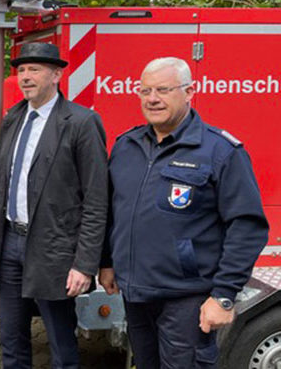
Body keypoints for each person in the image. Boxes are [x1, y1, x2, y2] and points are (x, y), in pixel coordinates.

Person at [0, 42, 109, 369]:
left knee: (60, 342)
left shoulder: (81, 122)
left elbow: (96, 199)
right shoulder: (15, 117)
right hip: (11, 244)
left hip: (55, 249)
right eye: (21, 70)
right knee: (12, 338)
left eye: (34, 70)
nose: (25, 77)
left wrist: (85, 264)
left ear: (56, 75)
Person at [99, 57, 268, 368]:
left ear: (190, 91)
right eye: (145, 90)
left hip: (187, 299)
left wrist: (224, 295)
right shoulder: (126, 146)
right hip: (135, 295)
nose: (152, 99)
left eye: (163, 90)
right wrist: (107, 262)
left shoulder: (219, 151)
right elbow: (113, 211)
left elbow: (247, 226)